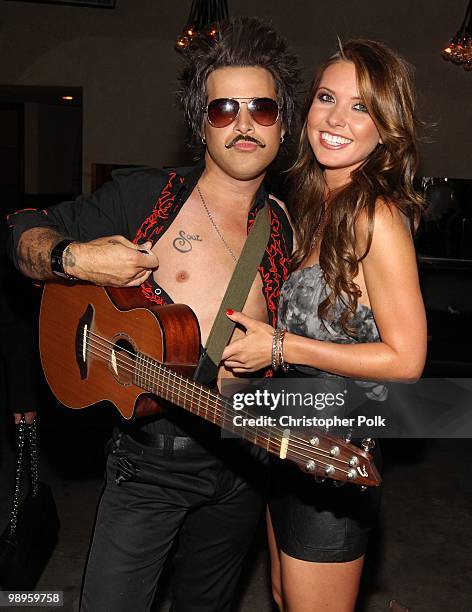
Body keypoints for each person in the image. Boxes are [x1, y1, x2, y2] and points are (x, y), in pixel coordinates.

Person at [7, 17, 298, 612]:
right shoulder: (148, 199)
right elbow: (17, 232)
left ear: (283, 124)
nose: (244, 123)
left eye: (262, 108)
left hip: (243, 464)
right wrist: (75, 256)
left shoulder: (289, 229)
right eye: (223, 109)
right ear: (200, 125)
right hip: (148, 465)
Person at [222, 39, 427, 612]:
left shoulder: (375, 214)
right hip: (287, 438)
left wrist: (282, 346)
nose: (336, 118)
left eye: (361, 107)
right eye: (326, 98)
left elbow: (406, 360)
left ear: (386, 127)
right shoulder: (317, 207)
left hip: (336, 452)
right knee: (285, 597)